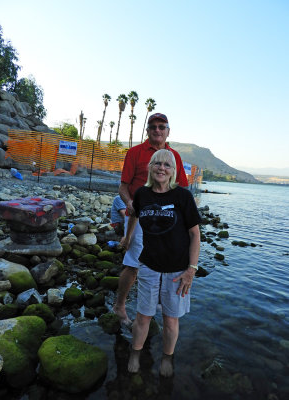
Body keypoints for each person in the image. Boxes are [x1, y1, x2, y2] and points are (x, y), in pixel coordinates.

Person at [121, 149, 201, 377]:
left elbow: (195, 235)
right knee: (143, 316)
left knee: (170, 320)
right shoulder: (142, 194)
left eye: (167, 165)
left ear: (173, 170)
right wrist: (128, 237)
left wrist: (191, 270)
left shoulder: (183, 197)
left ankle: (167, 357)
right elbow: (134, 214)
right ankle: (135, 353)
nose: (162, 168)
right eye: (157, 164)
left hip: (177, 270)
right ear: (150, 167)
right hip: (149, 265)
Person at [113, 113, 189, 326]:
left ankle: (155, 301)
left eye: (161, 126)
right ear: (147, 130)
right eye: (153, 126)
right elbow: (123, 186)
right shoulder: (135, 153)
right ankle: (119, 305)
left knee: (163, 261)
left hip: (166, 219)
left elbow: (180, 187)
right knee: (133, 264)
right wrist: (129, 203)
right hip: (140, 216)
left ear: (168, 131)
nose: (157, 130)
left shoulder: (174, 156)